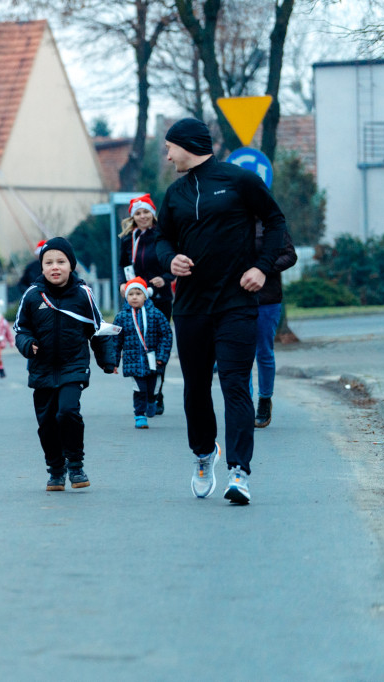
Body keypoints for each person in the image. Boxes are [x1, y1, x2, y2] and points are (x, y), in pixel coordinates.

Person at [154, 117, 288, 505]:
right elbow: (162, 237)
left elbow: (276, 221)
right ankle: (203, 454)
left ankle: (239, 472)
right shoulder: (175, 193)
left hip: (236, 303)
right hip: (192, 308)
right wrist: (169, 259)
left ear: (188, 144)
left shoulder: (239, 180)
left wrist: (262, 268)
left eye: (170, 147)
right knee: (196, 389)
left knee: (234, 384)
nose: (167, 154)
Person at [14, 237, 116, 491]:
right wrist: (27, 344)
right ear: (42, 267)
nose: (55, 267)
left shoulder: (83, 294)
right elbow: (20, 329)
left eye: (61, 261)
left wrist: (108, 360)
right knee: (47, 423)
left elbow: (98, 330)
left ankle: (76, 465)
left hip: (74, 365)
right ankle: (55, 469)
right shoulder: (32, 295)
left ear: (71, 265)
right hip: (42, 369)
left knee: (67, 412)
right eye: (48, 262)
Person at [118, 193, 174, 414]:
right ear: (133, 217)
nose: (142, 216)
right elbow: (123, 266)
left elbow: (172, 261)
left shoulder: (163, 235)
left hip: (159, 298)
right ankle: (144, 393)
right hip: (135, 299)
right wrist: (123, 284)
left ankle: (156, 393)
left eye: (146, 212)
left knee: (158, 344)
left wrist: (166, 278)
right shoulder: (128, 239)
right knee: (138, 344)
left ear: (152, 213)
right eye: (138, 213)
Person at [252, 222, 297, 428]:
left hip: (267, 297)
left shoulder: (271, 223)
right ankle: (244, 404)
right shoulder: (230, 218)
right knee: (240, 353)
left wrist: (262, 269)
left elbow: (290, 255)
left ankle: (264, 400)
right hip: (236, 298)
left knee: (263, 351)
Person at [112, 277, 173, 429]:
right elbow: (115, 341)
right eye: (131, 294)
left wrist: (162, 356)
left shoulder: (156, 315)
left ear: (145, 295)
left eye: (138, 293)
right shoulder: (121, 317)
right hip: (133, 362)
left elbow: (166, 335)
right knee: (139, 389)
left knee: (153, 389)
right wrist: (112, 362)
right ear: (126, 296)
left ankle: (152, 401)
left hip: (154, 361)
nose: (134, 297)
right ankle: (139, 415)